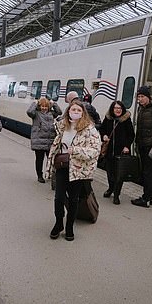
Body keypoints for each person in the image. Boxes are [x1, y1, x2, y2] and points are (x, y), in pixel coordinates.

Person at [47, 100, 101, 241]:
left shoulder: (89, 129)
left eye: (78, 110)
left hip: (78, 169)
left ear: (83, 113)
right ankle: (59, 223)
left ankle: (70, 226)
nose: (76, 112)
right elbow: (56, 144)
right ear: (68, 111)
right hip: (62, 166)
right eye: (73, 110)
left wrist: (75, 151)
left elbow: (95, 151)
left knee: (73, 199)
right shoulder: (62, 125)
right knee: (58, 197)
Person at [131, 86, 152, 208]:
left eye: (142, 97)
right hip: (143, 145)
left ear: (148, 96)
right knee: (146, 172)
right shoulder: (142, 108)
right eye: (138, 97)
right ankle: (149, 197)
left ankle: (146, 198)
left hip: (150, 146)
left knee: (147, 173)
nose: (139, 99)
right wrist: (136, 143)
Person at [98, 100, 135, 204]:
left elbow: (131, 135)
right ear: (112, 109)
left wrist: (127, 146)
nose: (117, 110)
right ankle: (110, 188)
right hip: (109, 151)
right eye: (115, 108)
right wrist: (104, 136)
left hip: (121, 151)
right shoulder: (108, 118)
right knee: (110, 173)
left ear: (122, 109)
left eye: (119, 108)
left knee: (119, 174)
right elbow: (102, 129)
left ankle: (116, 195)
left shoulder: (126, 120)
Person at [27, 97, 62, 183]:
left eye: (46, 106)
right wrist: (34, 103)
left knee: (51, 159)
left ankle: (50, 174)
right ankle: (40, 175)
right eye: (42, 106)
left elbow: (59, 112)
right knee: (39, 159)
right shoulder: (35, 114)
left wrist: (53, 103)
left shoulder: (51, 113)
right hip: (39, 141)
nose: (44, 108)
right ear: (39, 106)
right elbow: (29, 111)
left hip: (50, 140)